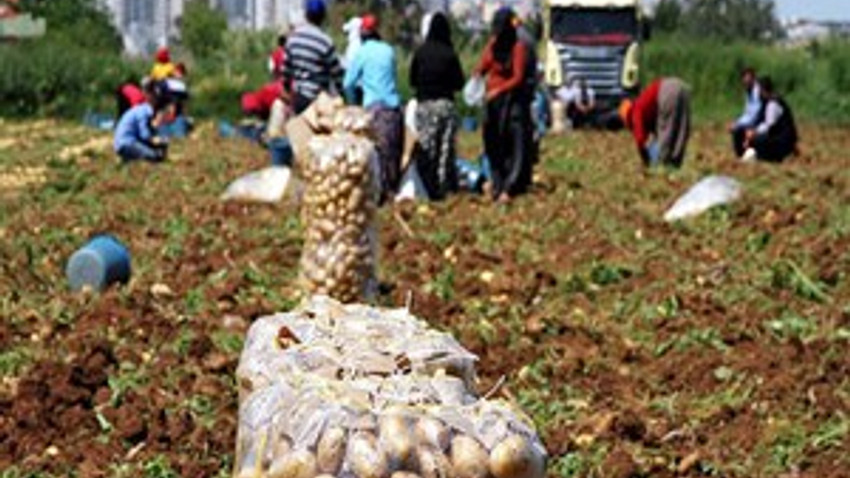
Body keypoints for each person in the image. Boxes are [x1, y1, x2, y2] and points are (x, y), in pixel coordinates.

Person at [344, 14, 404, 203]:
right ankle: (392, 192)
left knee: (375, 154)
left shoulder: (362, 52)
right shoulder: (389, 50)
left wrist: (353, 103)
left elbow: (348, 84)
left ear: (362, 34)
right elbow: (392, 78)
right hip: (393, 109)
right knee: (392, 153)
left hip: (374, 109)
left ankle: (379, 196)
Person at [475, 8, 531, 204]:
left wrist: (499, 90)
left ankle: (510, 187)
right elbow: (483, 65)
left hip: (512, 102)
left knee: (516, 145)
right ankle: (497, 183)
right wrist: (477, 77)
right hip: (493, 104)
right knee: (493, 143)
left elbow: (518, 77)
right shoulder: (493, 45)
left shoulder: (518, 47)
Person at [409, 11, 465, 200]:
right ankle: (443, 189)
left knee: (426, 148)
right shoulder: (450, 54)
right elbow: (459, 83)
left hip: (425, 106)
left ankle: (426, 187)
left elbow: (412, 80)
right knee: (445, 150)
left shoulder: (421, 52)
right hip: (446, 106)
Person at [283, 0, 344, 114]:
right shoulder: (325, 42)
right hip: (320, 101)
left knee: (300, 130)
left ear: (306, 14)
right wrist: (340, 95)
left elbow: (286, 70)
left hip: (299, 98)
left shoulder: (293, 39)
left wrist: (287, 90)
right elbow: (337, 74)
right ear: (323, 16)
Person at [619, 77, 691, 168]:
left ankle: (663, 164)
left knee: (666, 131)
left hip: (666, 93)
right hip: (679, 86)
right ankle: (675, 162)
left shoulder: (635, 112)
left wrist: (646, 162)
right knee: (681, 128)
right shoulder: (642, 104)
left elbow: (640, 141)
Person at [742, 76, 798, 163]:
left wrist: (754, 133)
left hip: (782, 140)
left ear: (762, 90)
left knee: (758, 141)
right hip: (782, 138)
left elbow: (769, 126)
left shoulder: (772, 104)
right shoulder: (768, 102)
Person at [113, 81, 167, 163]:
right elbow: (144, 135)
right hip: (127, 143)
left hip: (123, 143)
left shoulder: (141, 109)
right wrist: (157, 140)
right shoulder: (144, 112)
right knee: (154, 156)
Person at [728, 67, 762, 157]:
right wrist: (737, 122)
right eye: (744, 81)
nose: (745, 83)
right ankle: (741, 155)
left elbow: (755, 115)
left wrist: (738, 124)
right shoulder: (748, 92)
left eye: (748, 80)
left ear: (753, 79)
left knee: (738, 130)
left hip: (760, 123)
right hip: (752, 122)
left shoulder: (758, 92)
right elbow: (747, 113)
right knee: (736, 129)